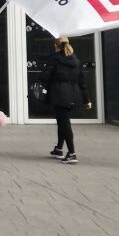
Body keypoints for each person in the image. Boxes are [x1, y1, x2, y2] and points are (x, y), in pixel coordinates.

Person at [43, 37, 91, 165]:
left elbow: (45, 76)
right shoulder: (75, 59)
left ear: (55, 45)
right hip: (73, 95)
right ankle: (59, 148)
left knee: (64, 123)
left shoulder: (54, 58)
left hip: (59, 94)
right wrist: (86, 100)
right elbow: (82, 81)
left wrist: (45, 85)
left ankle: (72, 153)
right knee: (62, 121)